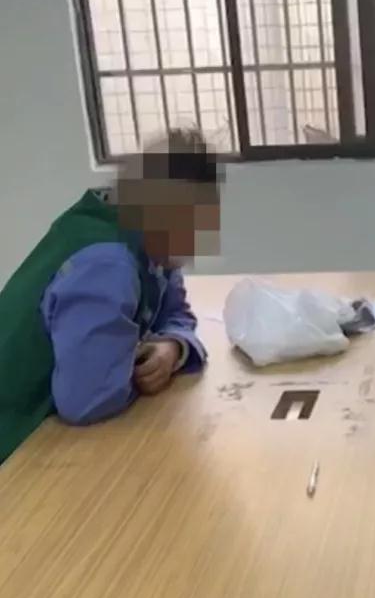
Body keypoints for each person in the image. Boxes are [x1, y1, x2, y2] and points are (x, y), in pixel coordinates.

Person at [0, 128, 221, 464]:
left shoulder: (147, 241)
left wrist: (172, 348)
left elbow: (175, 312)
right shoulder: (109, 265)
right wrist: (131, 371)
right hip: (15, 445)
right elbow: (87, 400)